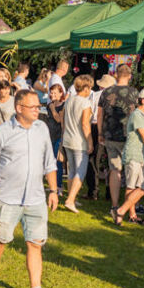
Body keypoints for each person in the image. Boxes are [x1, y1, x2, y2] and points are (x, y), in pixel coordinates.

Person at [0, 88, 61, 288]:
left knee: (35, 243)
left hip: (36, 198)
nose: (38, 110)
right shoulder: (3, 132)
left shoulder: (42, 129)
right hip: (8, 197)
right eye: (33, 107)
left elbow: (50, 163)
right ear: (19, 109)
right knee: (0, 239)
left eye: (39, 106)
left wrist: (54, 191)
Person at [112, 89, 144, 226]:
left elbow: (143, 134)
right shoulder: (138, 115)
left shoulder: (141, 115)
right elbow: (143, 136)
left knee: (139, 186)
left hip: (140, 155)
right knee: (134, 186)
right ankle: (129, 214)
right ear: (143, 101)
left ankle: (123, 211)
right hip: (135, 154)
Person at [96, 64, 138, 213]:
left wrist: (100, 133)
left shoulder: (106, 92)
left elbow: (99, 115)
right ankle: (130, 208)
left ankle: (114, 205)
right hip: (129, 137)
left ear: (116, 75)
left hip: (110, 135)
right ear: (130, 76)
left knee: (115, 170)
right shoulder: (134, 93)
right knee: (130, 172)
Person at [61, 74, 94, 213]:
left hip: (67, 139)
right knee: (80, 172)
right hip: (79, 141)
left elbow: (63, 119)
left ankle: (72, 198)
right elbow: (85, 124)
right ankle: (70, 200)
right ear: (85, 88)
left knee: (72, 171)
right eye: (90, 87)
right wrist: (90, 142)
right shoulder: (85, 102)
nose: (90, 90)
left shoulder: (69, 100)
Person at [42, 83, 66, 190]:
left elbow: (59, 120)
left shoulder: (63, 105)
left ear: (61, 93)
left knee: (58, 161)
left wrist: (52, 108)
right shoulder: (49, 105)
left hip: (59, 136)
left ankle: (59, 185)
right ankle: (52, 185)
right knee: (50, 161)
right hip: (49, 135)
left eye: (55, 93)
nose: (52, 95)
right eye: (51, 93)